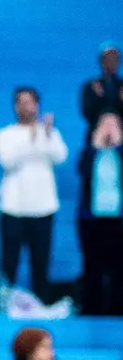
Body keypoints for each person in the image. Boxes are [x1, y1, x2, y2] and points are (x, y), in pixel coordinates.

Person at [0, 86, 70, 316]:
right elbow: (8, 160)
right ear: (15, 106)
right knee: (9, 262)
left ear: (37, 105)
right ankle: (4, 307)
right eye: (21, 102)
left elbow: (60, 156)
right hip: (13, 208)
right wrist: (33, 138)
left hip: (43, 208)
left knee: (40, 262)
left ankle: (40, 308)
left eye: (30, 102)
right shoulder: (5, 134)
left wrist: (45, 135)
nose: (26, 106)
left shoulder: (50, 133)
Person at [76, 111, 123, 316]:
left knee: (119, 268)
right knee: (92, 267)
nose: (109, 129)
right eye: (104, 124)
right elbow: (82, 171)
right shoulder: (90, 153)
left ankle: (117, 309)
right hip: (91, 219)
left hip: (118, 219)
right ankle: (91, 310)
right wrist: (95, 146)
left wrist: (119, 146)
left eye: (114, 124)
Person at [80, 42, 123, 139]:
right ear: (101, 61)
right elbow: (87, 113)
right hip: (96, 133)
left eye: (114, 59)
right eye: (107, 59)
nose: (110, 62)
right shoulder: (91, 86)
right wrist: (98, 98)